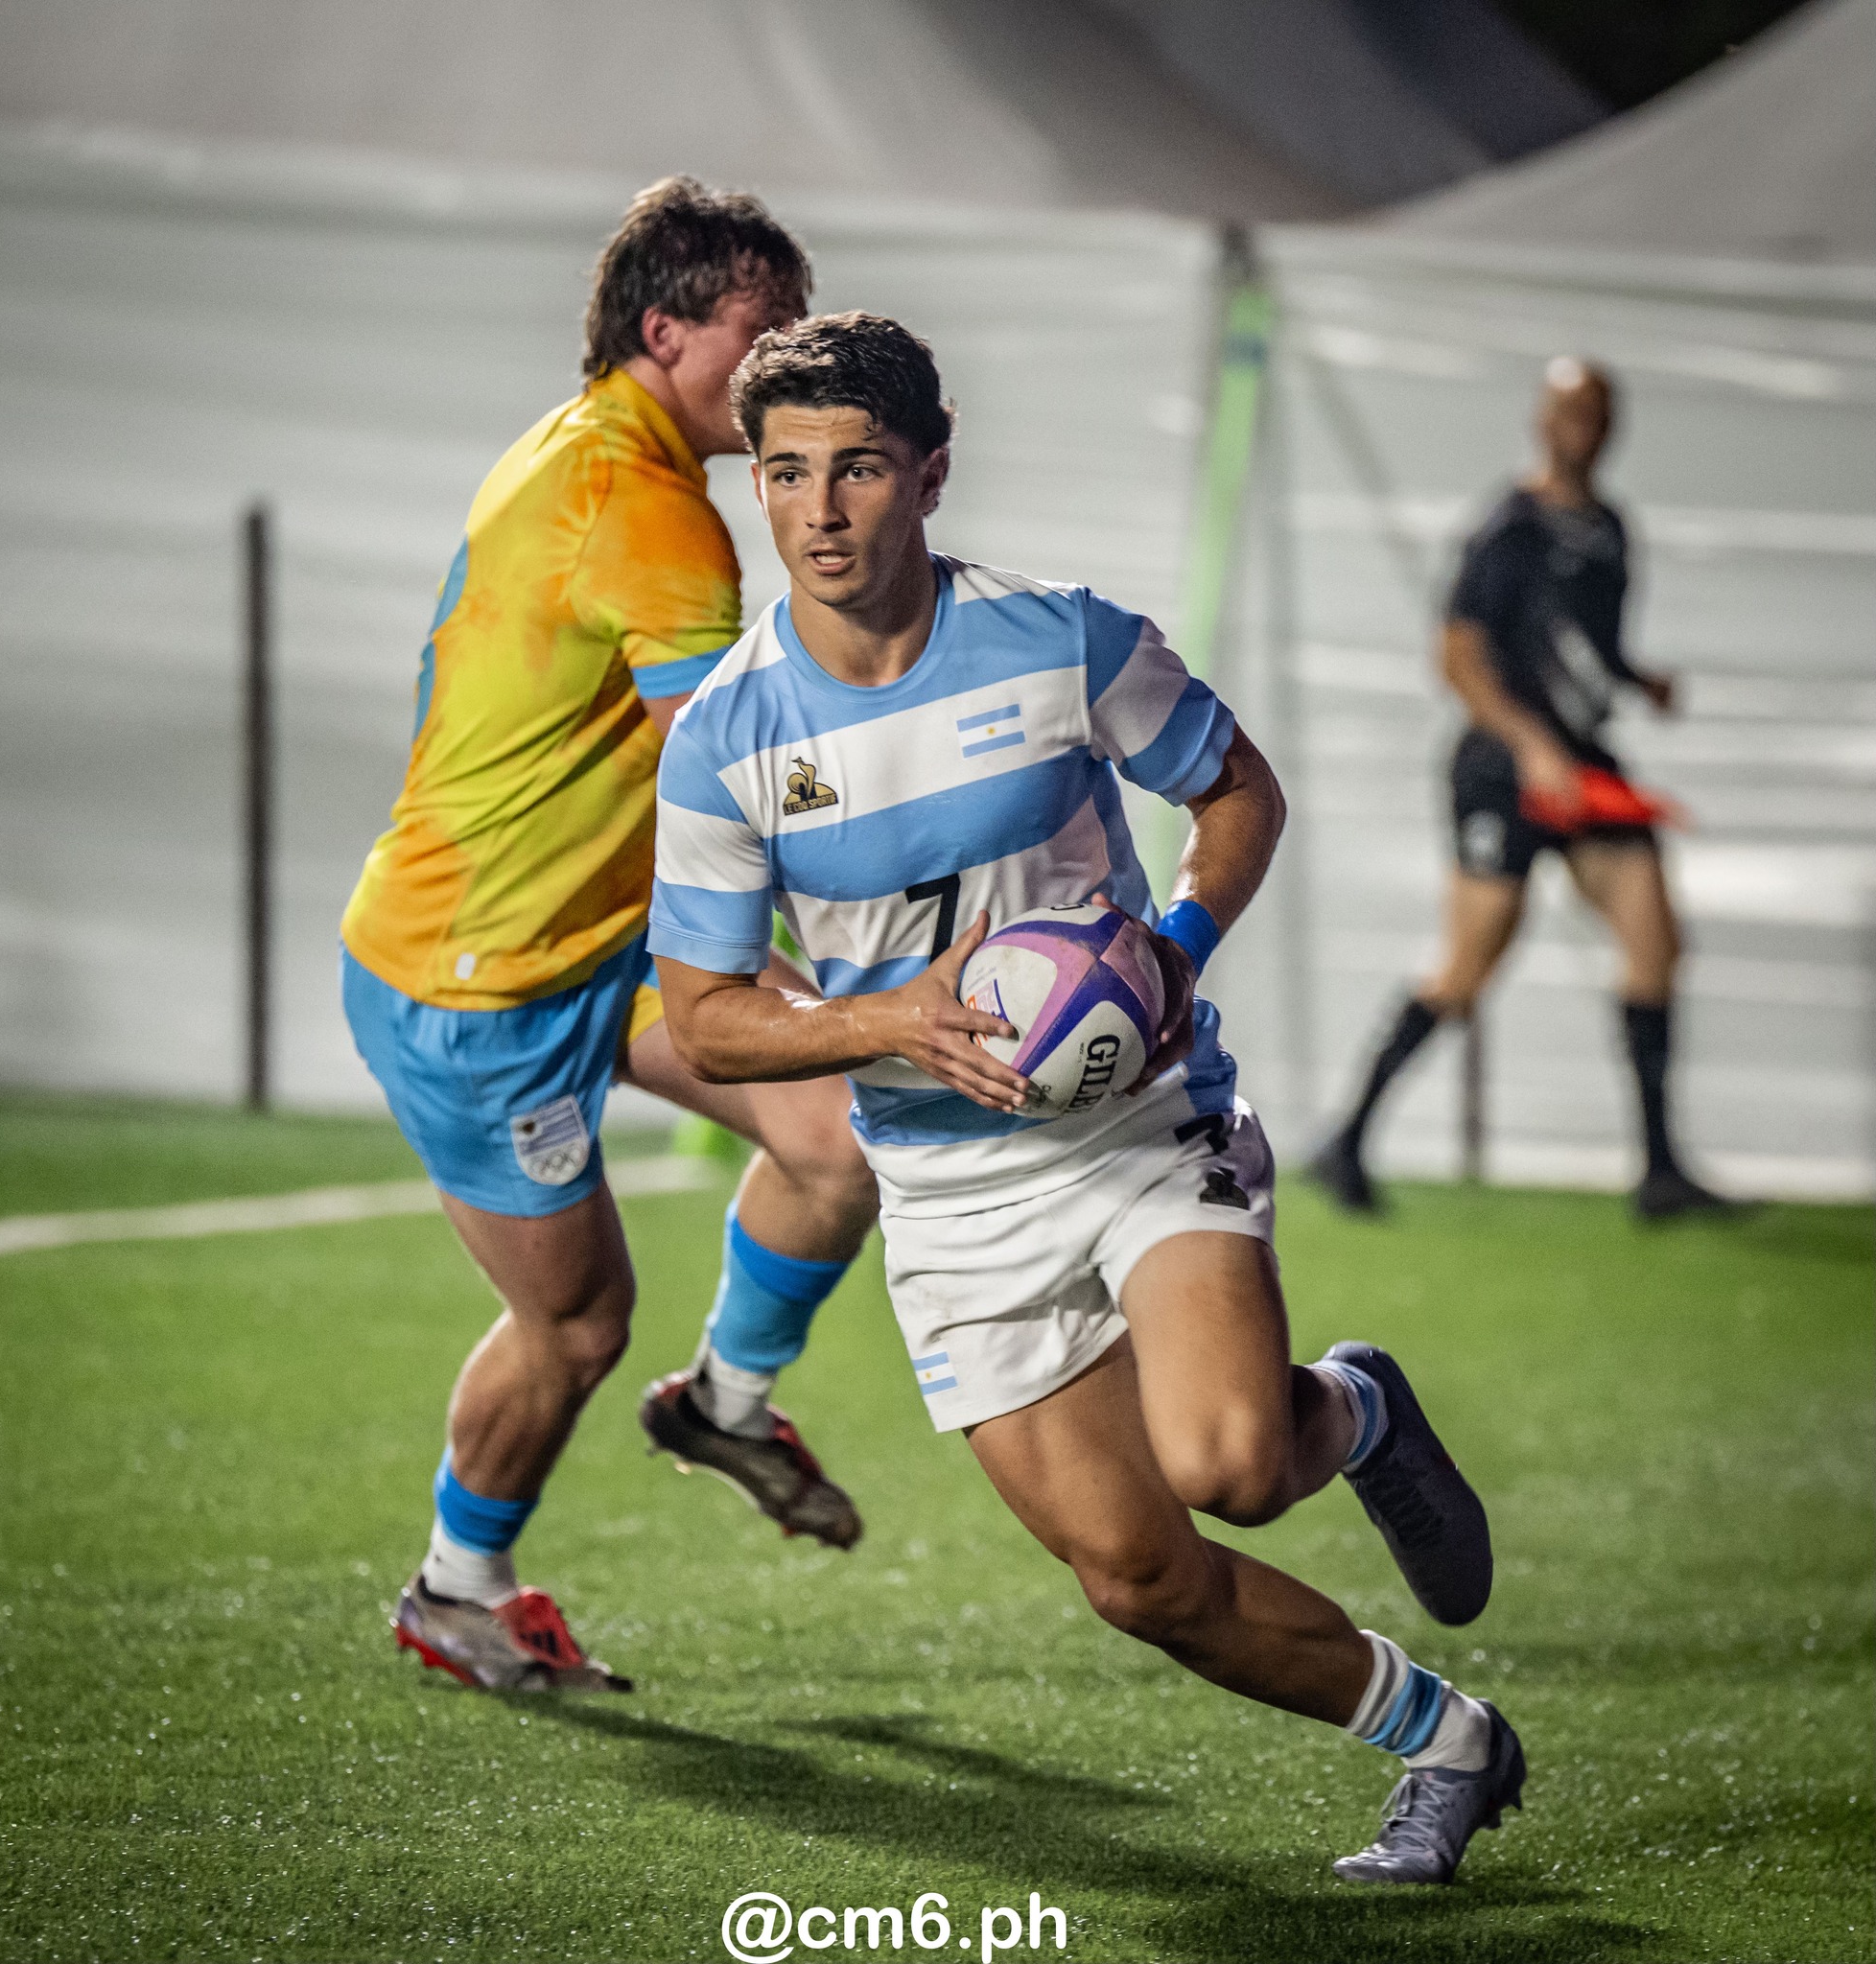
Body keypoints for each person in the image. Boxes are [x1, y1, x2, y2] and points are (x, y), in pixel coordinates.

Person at [647, 312, 1525, 1884]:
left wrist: (1178, 939)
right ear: (757, 491)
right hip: (944, 1187)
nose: (821, 508)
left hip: (1135, 1126)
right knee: (1135, 1575)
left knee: (1233, 1463)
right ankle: (1449, 1740)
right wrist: (886, 1023)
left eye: (856, 468)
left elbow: (1234, 787)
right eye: (784, 474)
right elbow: (705, 1020)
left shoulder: (1059, 640)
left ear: (928, 469)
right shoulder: (723, 739)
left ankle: (1352, 1409)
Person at [340, 180, 881, 1695]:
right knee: (576, 1324)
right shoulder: (654, 515)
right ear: (667, 329)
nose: (790, 372)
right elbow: (733, 780)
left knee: (838, 1139)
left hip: (598, 937)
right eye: (763, 338)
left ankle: (726, 1403)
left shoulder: (577, 442)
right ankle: (455, 1588)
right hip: (484, 985)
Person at [1309, 359, 1734, 1222]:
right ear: (1543, 421)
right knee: (1467, 970)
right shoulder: (1507, 528)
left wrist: (1638, 679)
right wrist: (1533, 747)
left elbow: (1588, 647)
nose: (1583, 427)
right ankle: (1345, 1142)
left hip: (1588, 768)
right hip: (1502, 773)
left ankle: (1659, 1170)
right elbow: (1458, 657)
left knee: (1656, 941)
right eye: (1569, 411)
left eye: (1598, 412)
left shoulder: (1611, 529)